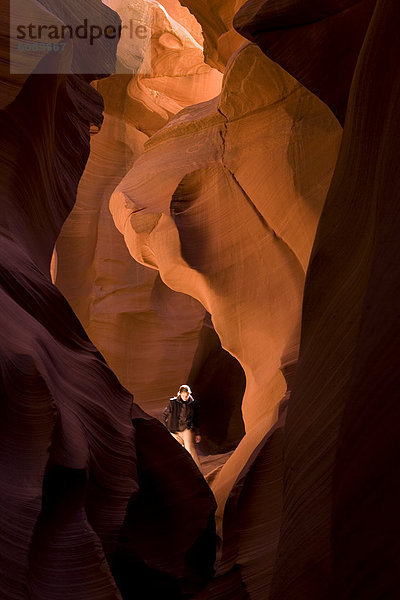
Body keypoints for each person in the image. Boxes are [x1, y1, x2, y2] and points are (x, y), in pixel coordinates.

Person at [163, 385, 201, 469]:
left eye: (187, 395)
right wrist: (167, 426)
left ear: (189, 394)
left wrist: (197, 433)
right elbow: (165, 414)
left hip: (187, 429)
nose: (185, 397)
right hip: (175, 430)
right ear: (180, 394)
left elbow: (196, 419)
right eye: (183, 395)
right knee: (174, 450)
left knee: (190, 450)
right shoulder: (173, 403)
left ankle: (198, 472)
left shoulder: (193, 404)